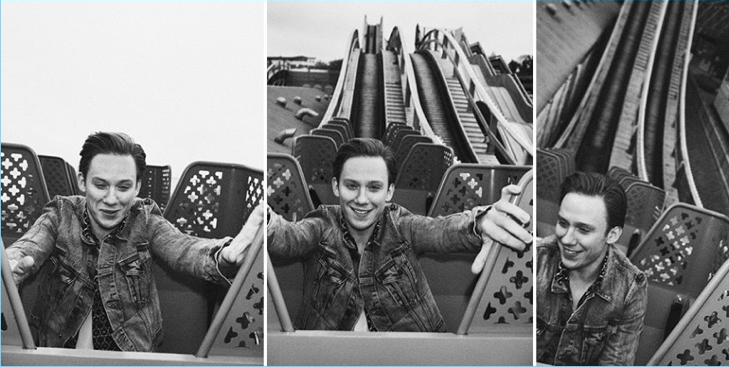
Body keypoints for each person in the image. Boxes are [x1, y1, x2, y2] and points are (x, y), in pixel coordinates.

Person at [6, 132, 264, 352]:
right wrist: (11, 263)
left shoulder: (145, 218)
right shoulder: (60, 214)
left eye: (123, 187)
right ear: (82, 181)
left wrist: (226, 254)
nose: (111, 199)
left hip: (131, 353)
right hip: (60, 351)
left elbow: (183, 248)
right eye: (100, 185)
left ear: (137, 187)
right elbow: (30, 244)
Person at [267, 138, 532, 331]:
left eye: (374, 187)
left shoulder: (401, 224)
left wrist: (481, 221)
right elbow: (288, 237)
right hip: (326, 357)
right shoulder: (322, 223)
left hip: (408, 356)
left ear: (390, 191)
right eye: (351, 186)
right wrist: (266, 221)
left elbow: (441, 230)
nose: (362, 199)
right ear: (336, 186)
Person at [537, 171, 647, 365]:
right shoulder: (536, 261)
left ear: (612, 235)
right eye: (563, 223)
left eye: (583, 229)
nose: (567, 239)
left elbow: (615, 363)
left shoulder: (631, 288)